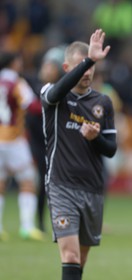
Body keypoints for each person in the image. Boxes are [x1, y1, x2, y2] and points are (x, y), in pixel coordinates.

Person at [40, 29, 117, 280]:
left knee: (79, 261)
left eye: (91, 67)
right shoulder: (52, 95)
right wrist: (90, 58)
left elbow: (111, 149)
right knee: (70, 256)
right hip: (61, 185)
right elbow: (55, 93)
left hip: (92, 188)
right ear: (67, 67)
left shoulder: (103, 102)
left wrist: (96, 139)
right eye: (81, 66)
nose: (87, 73)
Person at [0, 51, 44, 241]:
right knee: (27, 181)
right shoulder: (17, 83)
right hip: (13, 139)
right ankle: (27, 227)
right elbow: (32, 106)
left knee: (0, 184)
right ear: (14, 63)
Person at [26, 44, 66, 232]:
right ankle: (37, 222)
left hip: (52, 142)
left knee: (53, 183)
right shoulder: (31, 84)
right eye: (46, 65)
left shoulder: (58, 89)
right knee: (40, 181)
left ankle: (53, 221)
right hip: (32, 141)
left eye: (51, 66)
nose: (46, 68)